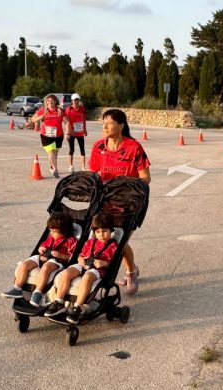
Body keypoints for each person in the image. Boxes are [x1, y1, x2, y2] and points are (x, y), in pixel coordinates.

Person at [89, 108, 151, 295]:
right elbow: (94, 176)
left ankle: (131, 272)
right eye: (103, 122)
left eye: (109, 122)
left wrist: (125, 188)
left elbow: (145, 178)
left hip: (128, 205)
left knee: (120, 241)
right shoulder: (99, 147)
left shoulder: (134, 148)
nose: (105, 126)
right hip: (105, 204)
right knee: (105, 240)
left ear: (121, 125)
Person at [45, 212, 118, 323]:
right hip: (83, 264)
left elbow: (113, 262)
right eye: (98, 232)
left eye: (105, 231)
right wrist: (80, 259)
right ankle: (59, 301)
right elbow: (81, 255)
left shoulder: (113, 246)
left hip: (98, 269)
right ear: (94, 232)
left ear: (111, 231)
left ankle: (77, 306)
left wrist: (103, 263)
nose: (101, 235)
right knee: (67, 272)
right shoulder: (90, 242)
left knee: (87, 276)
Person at [1, 212, 78, 307]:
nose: (51, 233)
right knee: (24, 265)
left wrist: (61, 255)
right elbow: (42, 246)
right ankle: (17, 288)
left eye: (54, 231)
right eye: (50, 231)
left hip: (56, 260)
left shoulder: (71, 241)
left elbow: (73, 257)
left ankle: (38, 292)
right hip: (43, 256)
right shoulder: (51, 238)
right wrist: (41, 249)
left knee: (46, 267)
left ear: (63, 231)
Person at [31, 94, 70, 178]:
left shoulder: (60, 111)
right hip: (46, 135)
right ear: (46, 102)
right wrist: (41, 116)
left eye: (52, 100)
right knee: (51, 152)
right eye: (48, 101)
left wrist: (67, 133)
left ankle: (52, 167)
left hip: (58, 135)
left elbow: (67, 122)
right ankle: (55, 169)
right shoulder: (43, 110)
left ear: (55, 101)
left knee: (55, 153)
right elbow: (33, 119)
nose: (50, 102)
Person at [65, 93, 87, 173]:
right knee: (72, 149)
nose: (76, 101)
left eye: (77, 100)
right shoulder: (69, 109)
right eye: (74, 100)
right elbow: (66, 121)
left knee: (82, 149)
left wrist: (85, 129)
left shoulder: (82, 109)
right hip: (72, 133)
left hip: (80, 132)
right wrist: (69, 131)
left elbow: (83, 120)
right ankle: (71, 166)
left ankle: (83, 167)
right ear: (72, 101)